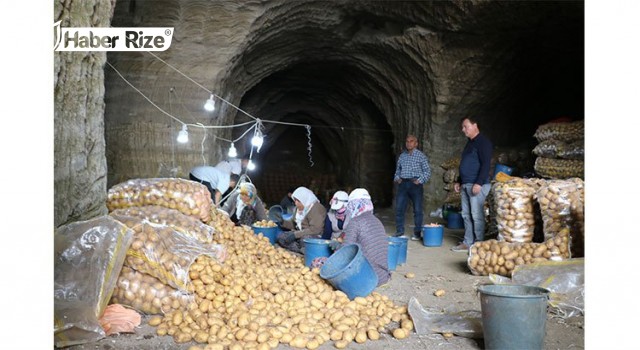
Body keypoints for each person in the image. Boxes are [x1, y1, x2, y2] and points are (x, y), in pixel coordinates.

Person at [329, 188, 390, 287]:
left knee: (320, 263)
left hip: (366, 277)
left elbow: (346, 252)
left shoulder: (355, 222)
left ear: (354, 205)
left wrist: (336, 246)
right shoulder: (377, 221)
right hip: (383, 275)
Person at [451, 117, 493, 252]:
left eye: (465, 127)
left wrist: (479, 183)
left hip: (476, 184)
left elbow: (486, 164)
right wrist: (459, 180)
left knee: (476, 215)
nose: (463, 130)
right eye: (463, 127)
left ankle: (479, 244)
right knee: (466, 215)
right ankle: (468, 242)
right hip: (466, 184)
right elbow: (466, 163)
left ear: (475, 125)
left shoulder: (484, 143)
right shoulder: (469, 143)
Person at [393, 134, 432, 241]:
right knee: (399, 209)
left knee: (418, 210)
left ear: (416, 143)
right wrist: (397, 178)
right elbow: (397, 171)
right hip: (403, 184)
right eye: (407, 141)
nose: (409, 143)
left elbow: (427, 171)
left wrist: (419, 180)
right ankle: (399, 231)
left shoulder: (421, 156)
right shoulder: (402, 156)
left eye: (411, 141)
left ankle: (417, 233)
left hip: (415, 185)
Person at [277, 186, 327, 254]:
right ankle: (302, 250)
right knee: (281, 237)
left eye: (298, 201)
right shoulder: (298, 209)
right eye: (295, 200)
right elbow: (293, 224)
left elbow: (315, 230)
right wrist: (282, 221)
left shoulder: (316, 209)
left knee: (305, 239)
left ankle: (305, 249)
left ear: (304, 200)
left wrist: (295, 235)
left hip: (314, 236)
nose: (296, 203)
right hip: (300, 233)